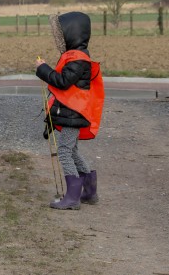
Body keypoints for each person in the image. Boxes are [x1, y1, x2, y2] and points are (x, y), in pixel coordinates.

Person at [35, 11, 104, 210]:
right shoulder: (78, 57)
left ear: (71, 34)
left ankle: (72, 198)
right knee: (71, 149)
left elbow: (63, 82)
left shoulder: (77, 59)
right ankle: (89, 192)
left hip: (75, 112)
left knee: (64, 150)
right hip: (74, 112)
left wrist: (43, 69)